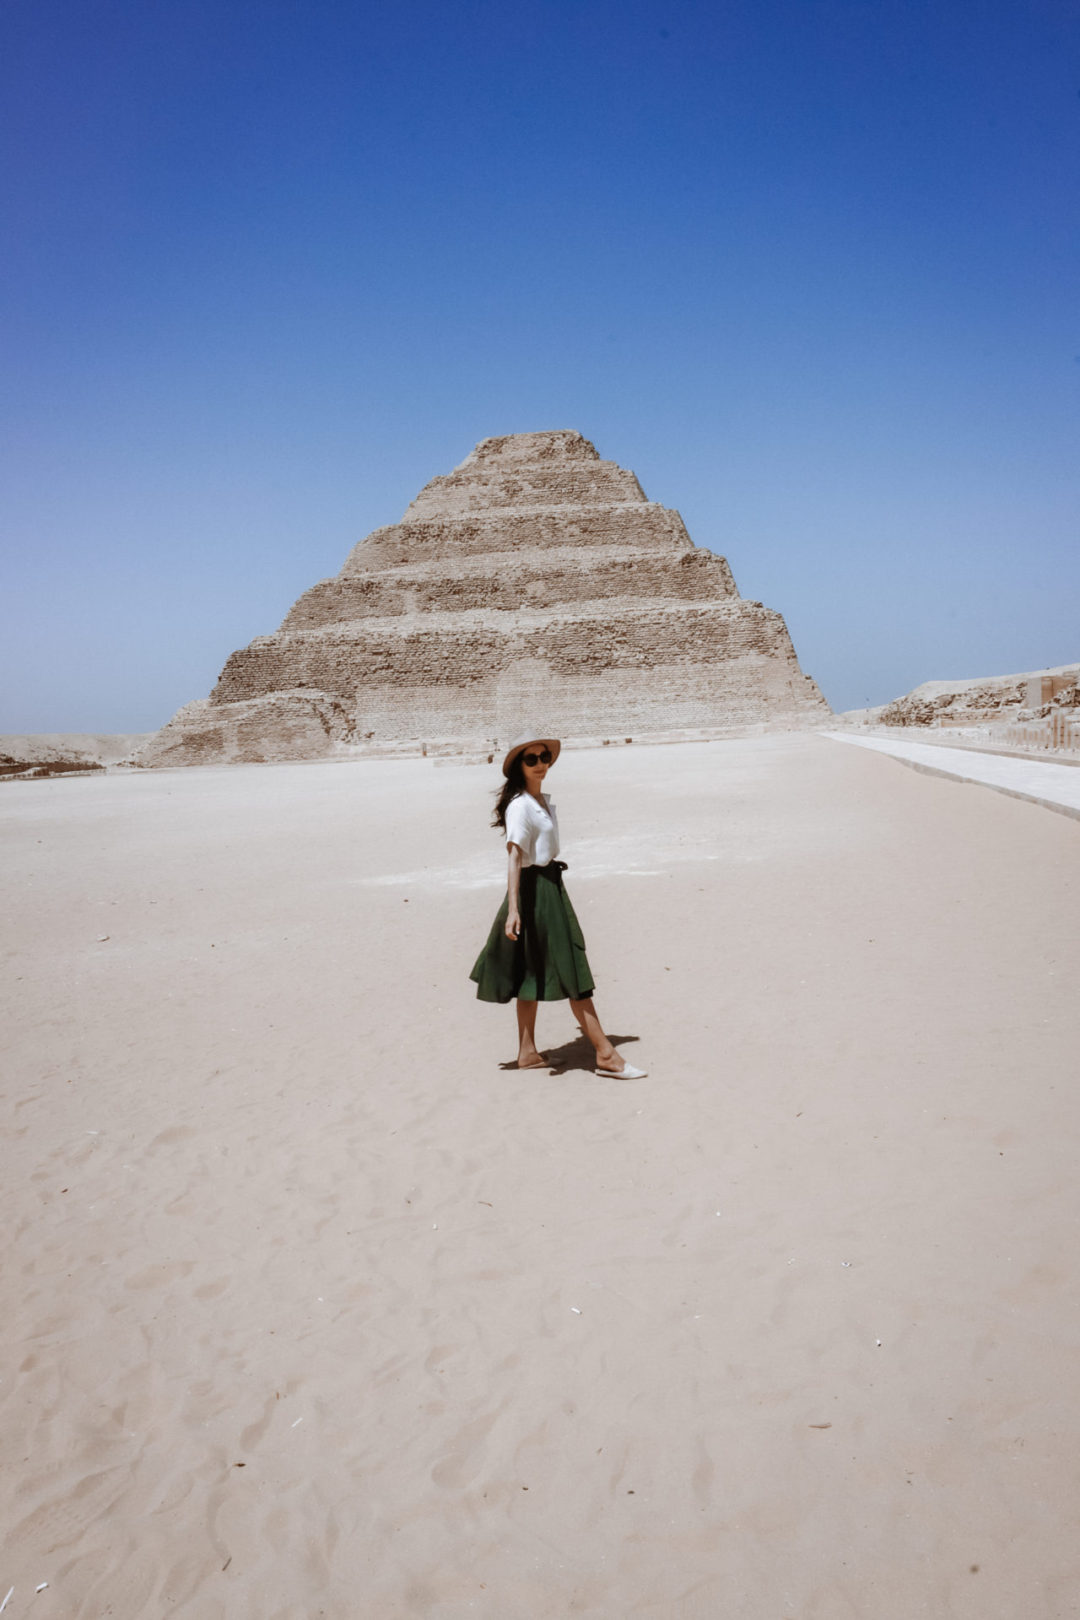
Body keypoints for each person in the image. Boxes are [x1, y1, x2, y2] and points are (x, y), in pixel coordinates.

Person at [469, 731, 646, 1078]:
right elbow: (514, 857)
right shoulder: (521, 806)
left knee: (529, 972)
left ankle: (527, 1053)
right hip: (537, 892)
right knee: (572, 970)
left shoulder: (541, 801)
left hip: (549, 885)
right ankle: (606, 1055)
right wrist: (515, 910)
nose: (540, 764)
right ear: (519, 766)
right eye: (531, 759)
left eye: (544, 757)